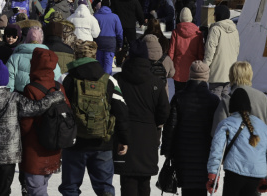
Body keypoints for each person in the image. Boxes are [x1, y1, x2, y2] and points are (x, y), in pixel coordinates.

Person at [0, 59, 65, 196]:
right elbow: (36, 108)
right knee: (4, 191)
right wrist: (53, 97)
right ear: (6, 80)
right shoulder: (14, 98)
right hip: (9, 155)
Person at [60, 40, 130, 196]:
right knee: (105, 188)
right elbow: (121, 112)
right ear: (95, 56)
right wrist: (123, 139)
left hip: (74, 144)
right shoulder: (109, 80)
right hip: (102, 143)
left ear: (76, 56)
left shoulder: (65, 79)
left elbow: (57, 109)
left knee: (70, 188)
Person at [113, 42, 171, 196]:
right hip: (148, 136)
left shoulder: (118, 80)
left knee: (127, 182)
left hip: (123, 135)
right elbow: (164, 112)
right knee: (144, 182)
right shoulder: (156, 82)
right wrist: (154, 123)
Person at [162, 61, 220, 196]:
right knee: (201, 188)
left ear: (190, 75)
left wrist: (167, 150)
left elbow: (171, 127)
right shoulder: (213, 100)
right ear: (206, 76)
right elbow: (217, 131)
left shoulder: (179, 97)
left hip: (183, 154)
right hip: (205, 154)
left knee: (187, 189)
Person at [206, 88, 267, 196]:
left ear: (231, 106)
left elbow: (217, 149)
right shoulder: (263, 127)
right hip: (256, 175)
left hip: (233, 173)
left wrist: (213, 174)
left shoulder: (226, 124)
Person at [20, 48, 70, 196]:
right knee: (43, 183)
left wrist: (19, 135)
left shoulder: (31, 89)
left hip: (34, 146)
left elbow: (27, 121)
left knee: (36, 187)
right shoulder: (59, 87)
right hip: (54, 144)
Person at [212, 62, 267, 137]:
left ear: (231, 76)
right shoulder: (262, 97)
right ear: (250, 75)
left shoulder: (227, 100)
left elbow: (217, 132)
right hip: (259, 143)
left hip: (236, 143)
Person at [7, 25, 61, 93]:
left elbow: (9, 84)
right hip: (43, 95)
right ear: (41, 38)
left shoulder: (14, 58)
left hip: (20, 95)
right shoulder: (49, 57)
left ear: (27, 38)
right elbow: (57, 79)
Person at [204, 5, 240, 97]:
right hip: (230, 71)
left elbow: (210, 51)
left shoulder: (215, 29)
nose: (213, 16)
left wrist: (205, 67)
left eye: (215, 13)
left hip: (217, 72)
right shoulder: (234, 30)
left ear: (219, 15)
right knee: (225, 99)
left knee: (215, 99)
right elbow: (237, 50)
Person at [169, 7, 205, 92]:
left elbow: (171, 52)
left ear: (180, 18)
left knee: (178, 94)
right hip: (193, 69)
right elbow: (200, 53)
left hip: (178, 70)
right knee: (191, 94)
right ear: (191, 18)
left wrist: (170, 66)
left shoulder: (175, 32)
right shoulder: (198, 33)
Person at [93, 0, 124, 75]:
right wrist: (120, 44)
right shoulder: (115, 17)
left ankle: (99, 78)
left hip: (98, 41)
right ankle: (107, 79)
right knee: (108, 63)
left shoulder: (95, 16)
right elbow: (119, 32)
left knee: (99, 62)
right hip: (110, 42)